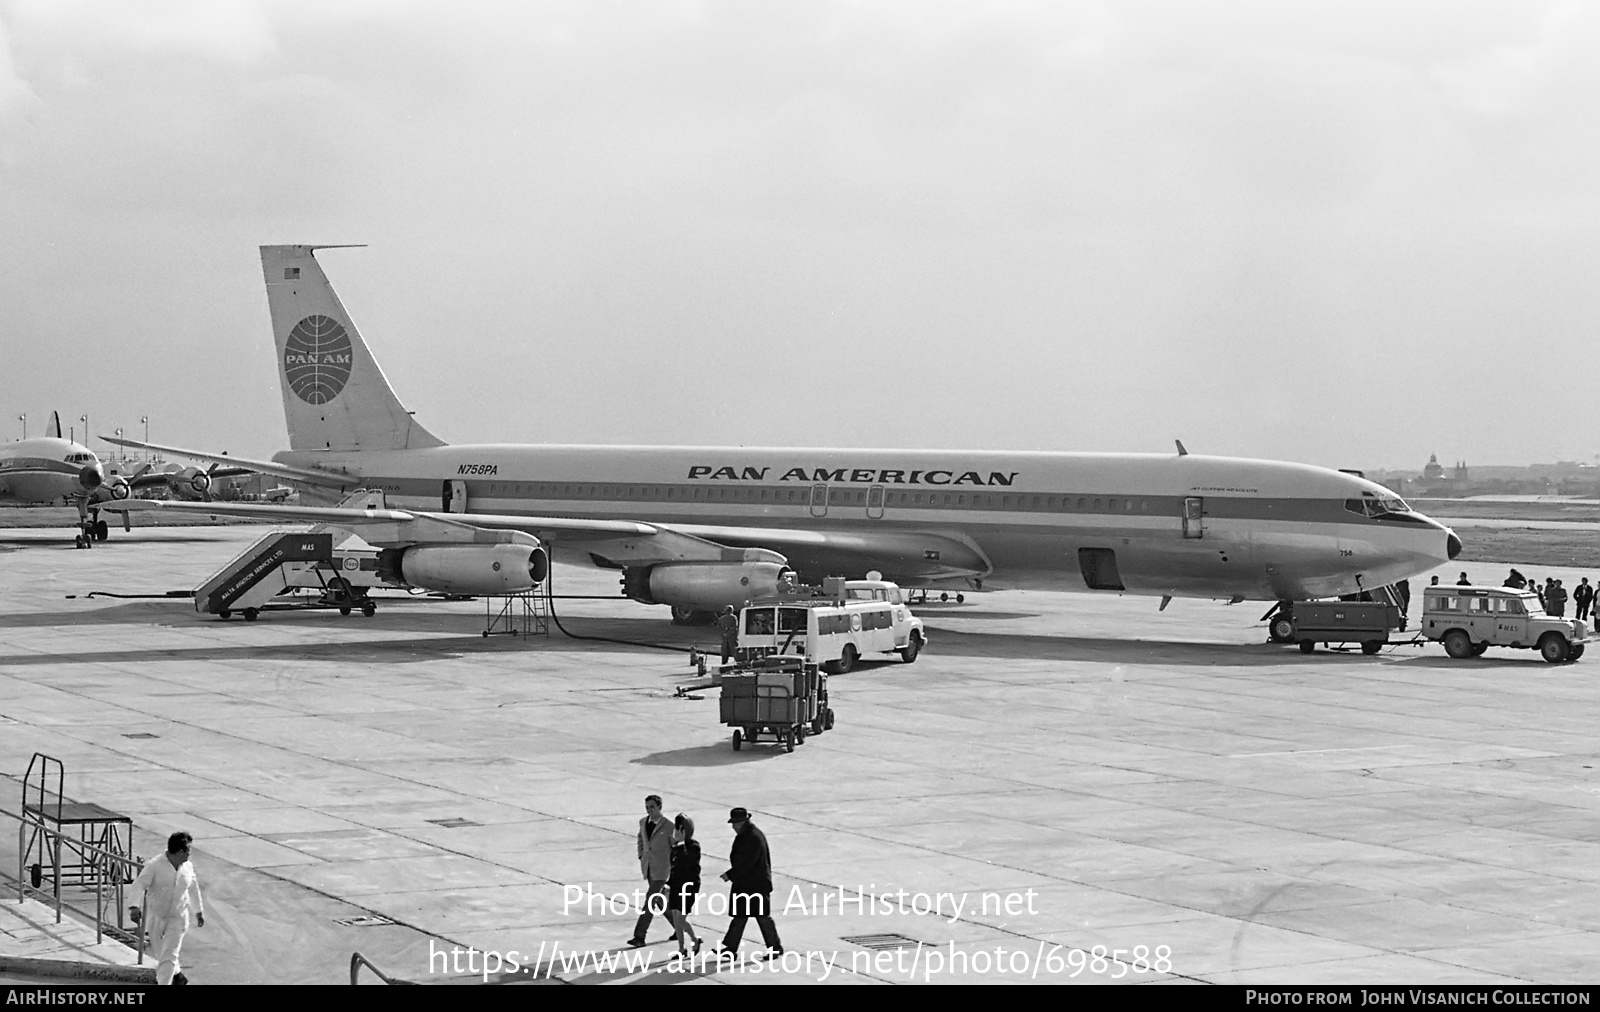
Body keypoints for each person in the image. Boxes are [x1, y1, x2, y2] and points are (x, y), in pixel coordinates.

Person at [131, 831, 204, 986]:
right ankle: (178, 976)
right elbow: (139, 885)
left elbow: (193, 888)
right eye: (188, 851)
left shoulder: (187, 867)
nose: (190, 855)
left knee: (169, 955)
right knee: (162, 955)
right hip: (156, 917)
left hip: (178, 918)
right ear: (180, 852)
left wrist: (198, 911)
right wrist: (134, 907)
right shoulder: (155, 866)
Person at [717, 807, 782, 958]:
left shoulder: (752, 837)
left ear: (743, 822)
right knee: (741, 916)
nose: (733, 826)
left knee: (761, 917)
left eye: (735, 823)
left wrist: (730, 874)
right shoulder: (748, 834)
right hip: (747, 884)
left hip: (755, 885)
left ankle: (775, 947)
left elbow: (747, 863)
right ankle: (730, 949)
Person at [629, 794, 673, 947]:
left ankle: (639, 936)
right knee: (660, 901)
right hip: (648, 867)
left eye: (652, 807)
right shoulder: (643, 822)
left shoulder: (669, 826)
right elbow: (641, 839)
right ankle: (681, 928)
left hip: (662, 869)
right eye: (647, 808)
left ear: (660, 807)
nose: (649, 810)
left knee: (650, 901)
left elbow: (675, 848)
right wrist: (641, 854)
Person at [666, 814, 702, 957]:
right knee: (676, 917)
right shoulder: (676, 848)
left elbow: (690, 865)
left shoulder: (693, 846)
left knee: (681, 918)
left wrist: (681, 846)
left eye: (680, 829)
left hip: (688, 887)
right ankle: (681, 948)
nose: (676, 832)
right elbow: (674, 869)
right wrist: (668, 884)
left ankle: (694, 939)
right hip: (676, 886)